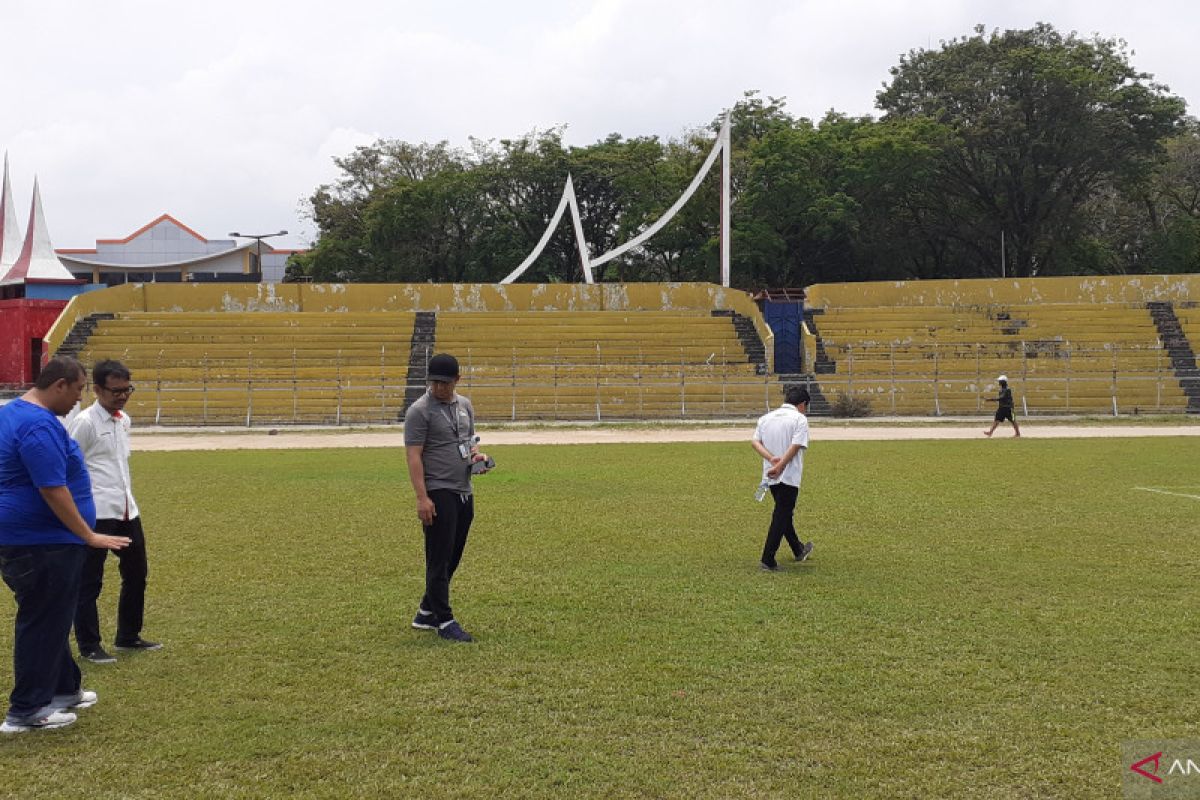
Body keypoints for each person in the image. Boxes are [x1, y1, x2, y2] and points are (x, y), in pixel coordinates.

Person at [0, 356, 130, 734]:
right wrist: (88, 534)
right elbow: (52, 488)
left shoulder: (16, 413)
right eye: (76, 391)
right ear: (59, 385)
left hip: (34, 539)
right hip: (41, 542)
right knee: (42, 619)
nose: (77, 400)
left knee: (50, 615)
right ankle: (26, 710)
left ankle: (63, 689)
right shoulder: (37, 425)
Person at [69, 359, 161, 663]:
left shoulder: (124, 421)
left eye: (127, 390)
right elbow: (69, 466)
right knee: (89, 581)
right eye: (116, 391)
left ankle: (128, 636)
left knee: (137, 574)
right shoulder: (84, 423)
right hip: (96, 514)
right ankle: (89, 645)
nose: (122, 396)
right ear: (97, 389)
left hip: (126, 511)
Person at [403, 353, 490, 643]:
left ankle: (426, 611)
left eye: (445, 382)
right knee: (438, 558)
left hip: (463, 489)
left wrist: (477, 457)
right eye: (434, 382)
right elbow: (413, 456)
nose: (439, 388)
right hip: (438, 490)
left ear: (457, 380)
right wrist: (422, 497)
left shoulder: (464, 405)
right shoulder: (420, 411)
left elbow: (468, 442)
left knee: (453, 554)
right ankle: (444, 620)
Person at [751, 385, 814, 571]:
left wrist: (771, 460)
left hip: (770, 475)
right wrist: (780, 466)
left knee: (784, 513)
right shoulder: (799, 419)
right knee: (781, 514)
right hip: (788, 475)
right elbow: (795, 446)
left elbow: (755, 442)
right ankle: (767, 558)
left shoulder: (766, 418)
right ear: (803, 404)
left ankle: (798, 549)